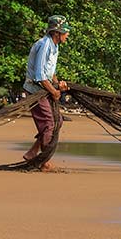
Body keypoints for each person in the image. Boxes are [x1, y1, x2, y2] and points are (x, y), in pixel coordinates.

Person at [22, 15, 71, 170]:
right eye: (65, 32)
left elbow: (50, 73)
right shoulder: (44, 45)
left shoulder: (54, 46)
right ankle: (43, 161)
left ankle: (33, 152)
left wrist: (58, 84)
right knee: (49, 124)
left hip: (43, 89)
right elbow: (39, 76)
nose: (67, 35)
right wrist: (54, 92)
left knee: (58, 121)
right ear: (57, 33)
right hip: (35, 90)